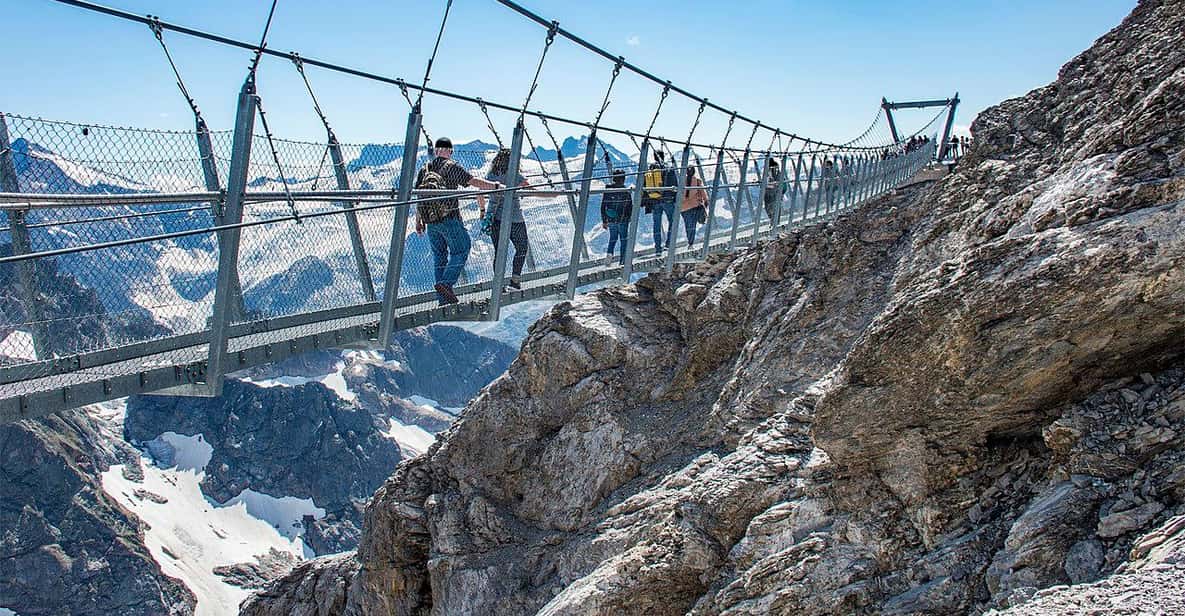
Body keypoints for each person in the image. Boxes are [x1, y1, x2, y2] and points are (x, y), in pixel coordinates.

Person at [414, 137, 502, 305]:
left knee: (439, 257)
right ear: (449, 150)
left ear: (436, 150)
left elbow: (418, 195)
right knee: (462, 249)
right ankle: (446, 285)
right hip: (450, 218)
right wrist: (496, 186)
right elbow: (473, 181)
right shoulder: (452, 167)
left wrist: (419, 220)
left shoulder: (424, 170)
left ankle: (443, 299)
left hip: (431, 221)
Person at [477, 148, 531, 290]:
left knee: (500, 251)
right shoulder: (514, 175)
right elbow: (529, 187)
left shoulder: (491, 175)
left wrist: (482, 210)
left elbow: (480, 192)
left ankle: (499, 284)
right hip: (515, 218)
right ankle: (515, 280)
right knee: (522, 247)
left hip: (495, 218)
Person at [646, 151, 678, 256]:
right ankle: (669, 244)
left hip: (655, 200)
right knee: (672, 222)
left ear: (654, 157)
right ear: (663, 157)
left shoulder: (650, 169)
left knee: (656, 225)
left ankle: (658, 249)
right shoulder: (668, 168)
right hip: (668, 200)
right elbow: (675, 184)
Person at [601, 169, 632, 265]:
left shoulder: (608, 190)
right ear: (623, 178)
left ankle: (609, 255)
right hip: (623, 220)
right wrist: (629, 218)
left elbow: (603, 206)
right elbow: (630, 206)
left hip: (611, 218)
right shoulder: (626, 191)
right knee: (623, 239)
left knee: (613, 238)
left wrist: (604, 220)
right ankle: (623, 260)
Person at [680, 166, 707, 245]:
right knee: (693, 225)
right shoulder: (697, 181)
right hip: (694, 206)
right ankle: (691, 242)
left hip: (683, 208)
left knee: (688, 225)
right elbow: (702, 192)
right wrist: (705, 201)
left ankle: (689, 240)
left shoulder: (681, 182)